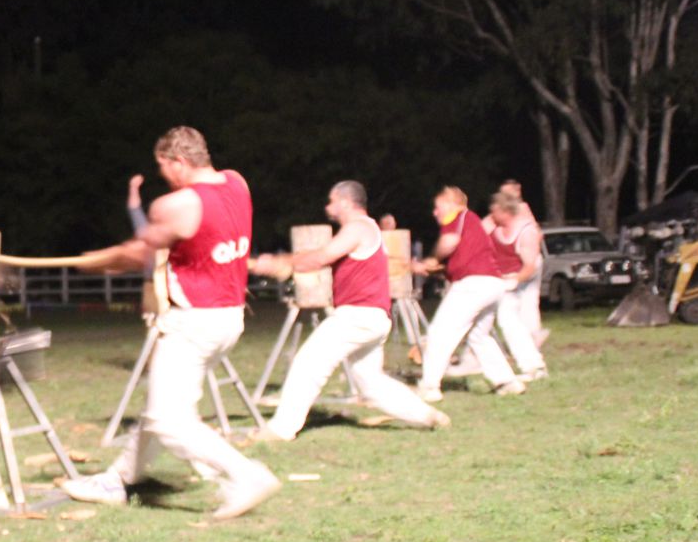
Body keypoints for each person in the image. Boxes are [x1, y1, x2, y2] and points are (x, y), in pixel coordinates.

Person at [61, 126, 281, 520]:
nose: (163, 175)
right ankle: (117, 479)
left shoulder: (178, 204)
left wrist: (94, 261)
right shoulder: (237, 182)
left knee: (168, 419)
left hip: (192, 322)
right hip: (229, 318)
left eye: (164, 167)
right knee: (161, 405)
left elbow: (140, 255)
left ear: (179, 162)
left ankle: (246, 475)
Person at [248, 181, 448, 441]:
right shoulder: (365, 228)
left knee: (309, 362)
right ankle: (429, 416)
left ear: (345, 202)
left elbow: (321, 257)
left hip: (358, 316)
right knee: (370, 381)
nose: (327, 207)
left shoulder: (358, 228)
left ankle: (280, 429)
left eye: (331, 201)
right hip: (371, 316)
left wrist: (277, 262)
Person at [414, 186, 526, 402]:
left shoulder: (459, 216)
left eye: (438, 207)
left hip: (473, 284)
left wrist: (431, 260)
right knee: (479, 336)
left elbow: (448, 243)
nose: (435, 213)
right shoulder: (471, 223)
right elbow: (459, 261)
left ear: (451, 203)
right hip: (492, 283)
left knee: (440, 332)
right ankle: (507, 382)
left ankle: (429, 387)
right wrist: (427, 268)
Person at [487, 192, 548, 380]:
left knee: (509, 318)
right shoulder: (494, 225)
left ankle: (533, 365)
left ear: (503, 211)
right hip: (502, 278)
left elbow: (529, 266)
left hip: (522, 277)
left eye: (494, 210)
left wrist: (512, 282)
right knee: (500, 320)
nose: (490, 214)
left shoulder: (525, 232)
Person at [499, 179, 548, 346]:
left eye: (507, 193)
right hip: (531, 258)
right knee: (529, 299)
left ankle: (526, 338)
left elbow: (536, 234)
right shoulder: (522, 209)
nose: (503, 197)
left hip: (527, 260)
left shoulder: (520, 209)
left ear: (517, 191)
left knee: (515, 300)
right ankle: (533, 334)